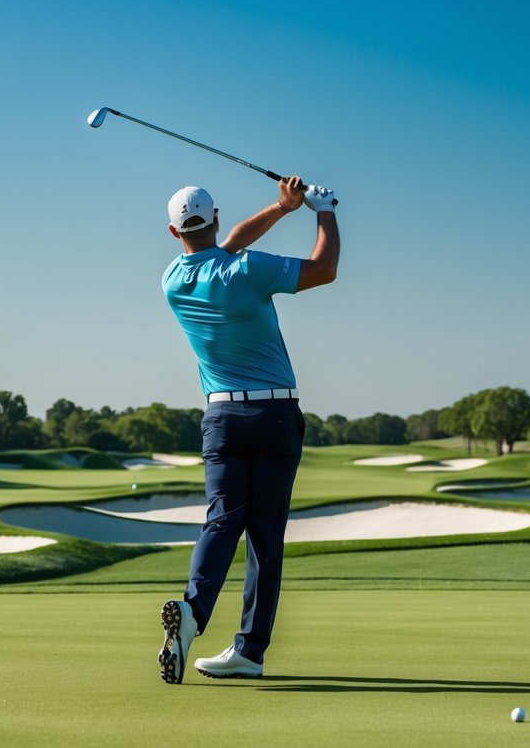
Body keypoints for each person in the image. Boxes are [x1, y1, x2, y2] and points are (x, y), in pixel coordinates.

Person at [157, 175, 340, 684]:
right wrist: (323, 212)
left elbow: (226, 245)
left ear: (174, 233)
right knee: (264, 536)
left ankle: (193, 613)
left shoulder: (173, 280)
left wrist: (281, 208)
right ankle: (249, 652)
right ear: (214, 219)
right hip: (274, 417)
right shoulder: (248, 270)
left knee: (221, 521)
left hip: (220, 420)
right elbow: (324, 269)